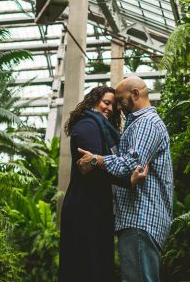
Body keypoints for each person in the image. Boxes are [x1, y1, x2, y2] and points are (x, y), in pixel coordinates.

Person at [77, 76, 173, 282]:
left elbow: (131, 165)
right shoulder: (140, 124)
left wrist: (96, 159)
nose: (117, 108)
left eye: (120, 100)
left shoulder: (146, 124)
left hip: (141, 217)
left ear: (135, 94)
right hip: (138, 219)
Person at [58, 85, 147, 282]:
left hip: (96, 207)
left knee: (95, 267)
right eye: (106, 102)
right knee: (85, 268)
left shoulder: (102, 128)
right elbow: (92, 168)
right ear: (93, 101)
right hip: (85, 209)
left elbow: (99, 164)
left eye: (113, 106)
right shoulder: (88, 125)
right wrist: (128, 180)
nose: (109, 108)